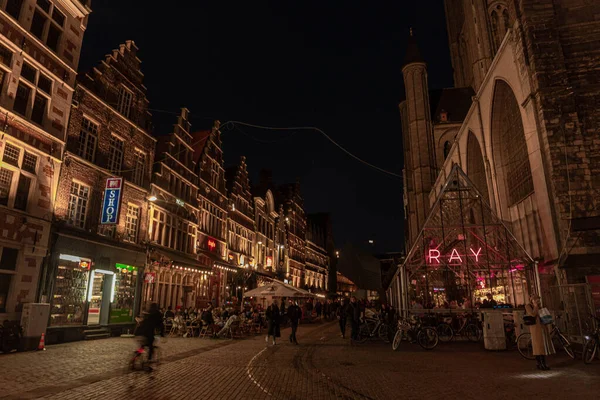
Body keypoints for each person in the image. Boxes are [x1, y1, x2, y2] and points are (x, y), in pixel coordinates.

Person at [525, 294, 555, 370]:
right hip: (535, 329)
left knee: (543, 346)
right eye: (536, 299)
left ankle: (542, 363)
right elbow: (532, 314)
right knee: (538, 346)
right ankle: (540, 363)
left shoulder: (540, 306)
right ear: (532, 300)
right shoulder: (528, 306)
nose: (537, 301)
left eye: (538, 299)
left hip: (542, 327)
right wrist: (535, 306)